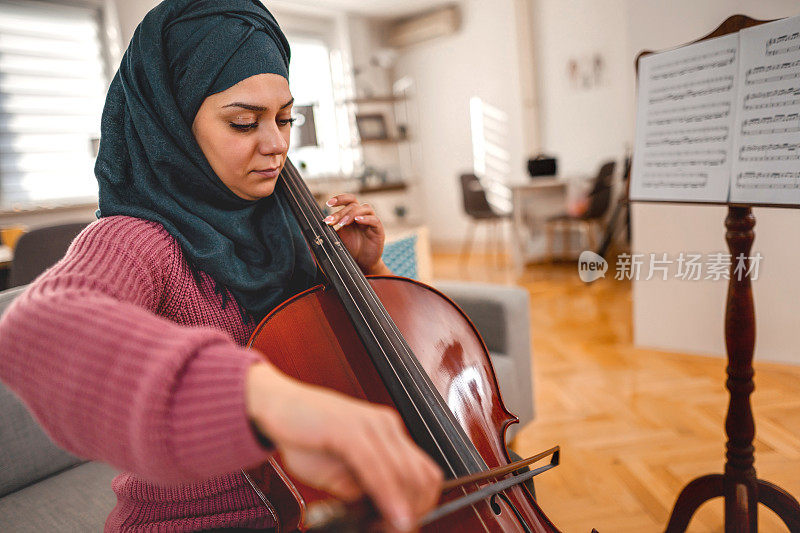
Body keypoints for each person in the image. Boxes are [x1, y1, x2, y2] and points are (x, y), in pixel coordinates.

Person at [0, 0, 442, 531]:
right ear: (174, 125)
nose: (277, 146)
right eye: (242, 123)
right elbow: (39, 332)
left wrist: (365, 274)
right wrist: (269, 402)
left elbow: (377, 363)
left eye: (285, 118)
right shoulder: (137, 238)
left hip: (324, 509)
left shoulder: (290, 224)